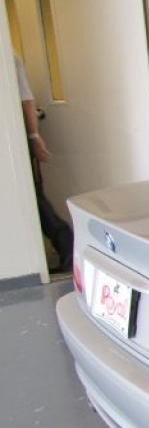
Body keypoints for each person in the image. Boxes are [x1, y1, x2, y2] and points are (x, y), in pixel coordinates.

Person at [15, 55, 73, 271]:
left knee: (34, 198)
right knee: (34, 198)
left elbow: (26, 100)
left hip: (18, 139)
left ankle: (68, 249)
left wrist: (33, 137)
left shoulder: (8, 57)